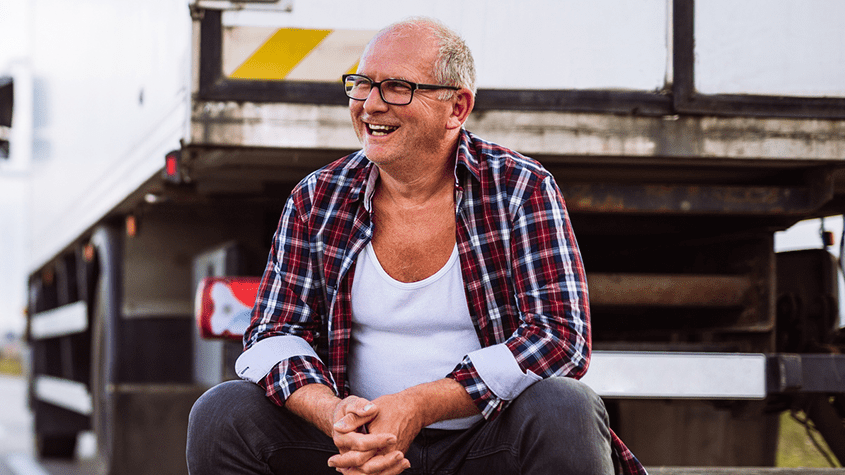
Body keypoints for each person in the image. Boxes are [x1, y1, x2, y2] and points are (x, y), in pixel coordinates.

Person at [185, 17, 647, 475]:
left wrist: (419, 404)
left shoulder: (518, 189)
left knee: (565, 405)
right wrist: (335, 416)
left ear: (457, 108)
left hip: (482, 445)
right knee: (222, 413)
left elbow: (559, 337)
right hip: (352, 450)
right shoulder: (317, 198)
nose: (371, 105)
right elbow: (272, 333)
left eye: (397, 87)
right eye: (362, 84)